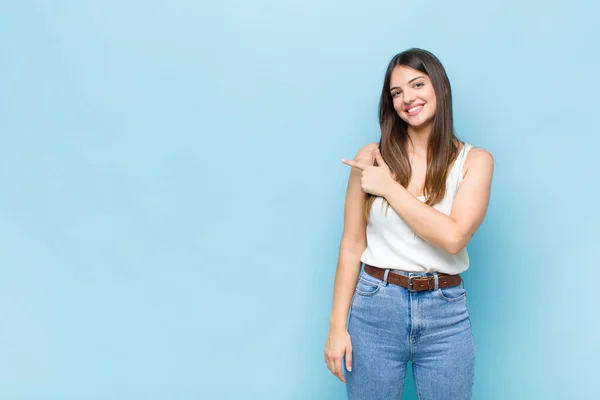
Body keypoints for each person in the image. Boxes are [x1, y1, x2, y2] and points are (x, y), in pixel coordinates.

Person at [323, 48, 494, 400]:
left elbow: (453, 237)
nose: (407, 98)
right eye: (396, 93)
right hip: (374, 308)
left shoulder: (474, 161)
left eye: (417, 85)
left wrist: (389, 188)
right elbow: (352, 243)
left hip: (445, 312)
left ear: (441, 90)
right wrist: (336, 327)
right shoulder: (371, 157)